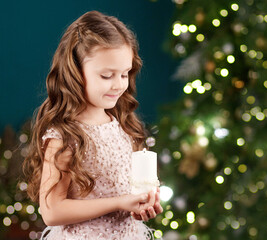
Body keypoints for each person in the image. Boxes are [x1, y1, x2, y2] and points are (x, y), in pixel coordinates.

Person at [22, 10, 163, 239]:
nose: (119, 85)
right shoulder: (65, 135)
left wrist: (139, 203)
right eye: (107, 76)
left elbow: (121, 190)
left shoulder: (120, 124)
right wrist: (119, 202)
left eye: (125, 74)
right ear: (76, 73)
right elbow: (51, 211)